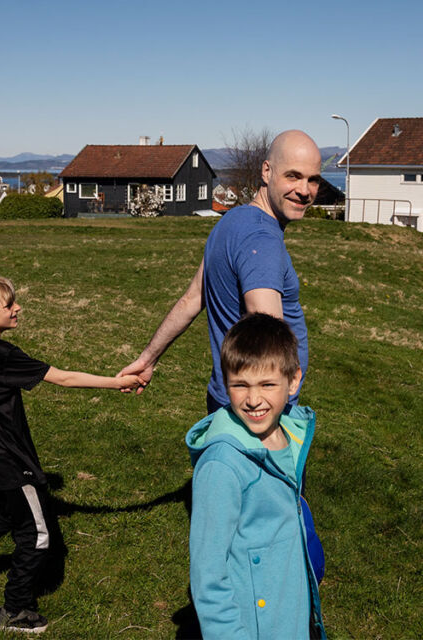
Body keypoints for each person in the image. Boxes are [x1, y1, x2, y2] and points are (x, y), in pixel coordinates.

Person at [0, 274, 143, 633]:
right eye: (8, 305)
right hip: (12, 462)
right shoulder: (0, 355)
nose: (18, 308)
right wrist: (118, 382)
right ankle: (15, 610)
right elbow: (63, 378)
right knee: (37, 535)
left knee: (3, 519)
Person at [117, 129, 321, 413]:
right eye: (293, 176)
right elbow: (268, 345)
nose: (304, 190)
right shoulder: (262, 241)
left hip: (225, 400)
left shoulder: (230, 221)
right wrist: (273, 431)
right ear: (266, 171)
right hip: (258, 415)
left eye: (313, 180)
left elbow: (191, 300)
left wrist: (148, 359)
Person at [187, 313, 325, 639]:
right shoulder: (222, 466)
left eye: (267, 385)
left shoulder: (290, 436)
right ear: (225, 382)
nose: (253, 399)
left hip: (290, 616)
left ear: (293, 381)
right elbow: (208, 576)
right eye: (240, 385)